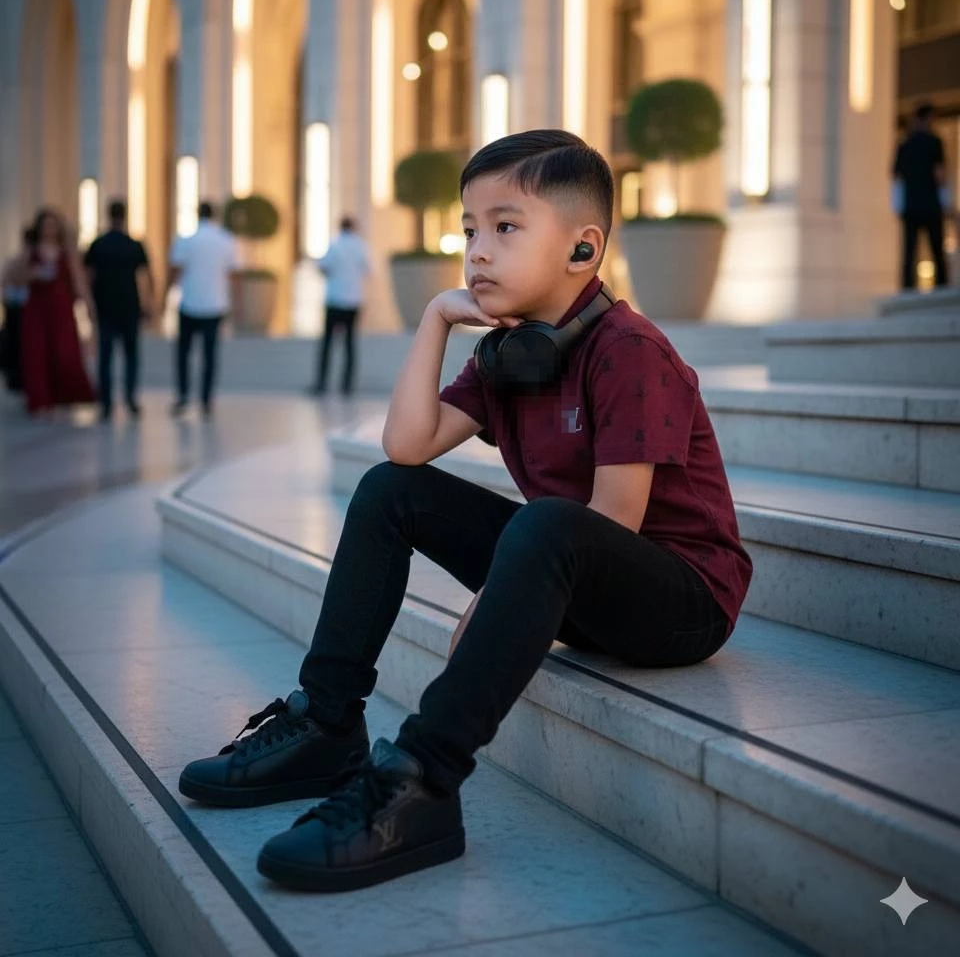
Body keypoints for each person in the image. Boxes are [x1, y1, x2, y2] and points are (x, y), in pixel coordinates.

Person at [178, 130, 753, 894]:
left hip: (680, 597)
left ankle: (423, 781)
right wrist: (436, 322)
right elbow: (408, 446)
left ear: (584, 249)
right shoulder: (510, 354)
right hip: (568, 566)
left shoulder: (629, 351)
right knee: (390, 490)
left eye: (505, 227)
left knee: (543, 524)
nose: (477, 250)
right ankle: (325, 724)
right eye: (469, 230)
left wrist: (497, 597)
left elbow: (612, 519)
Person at [19, 208, 96, 416]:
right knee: (37, 353)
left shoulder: (66, 252)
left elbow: (79, 281)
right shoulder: (31, 250)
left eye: (53, 225)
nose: (49, 230)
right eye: (46, 225)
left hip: (60, 308)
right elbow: (17, 275)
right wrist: (32, 274)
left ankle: (64, 394)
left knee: (64, 352)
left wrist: (88, 307)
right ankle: (41, 399)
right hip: (38, 308)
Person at [84, 199, 155, 420]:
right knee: (130, 355)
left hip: (105, 306)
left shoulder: (98, 244)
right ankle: (130, 398)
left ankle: (107, 402)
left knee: (106, 357)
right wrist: (150, 302)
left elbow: (88, 276)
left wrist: (88, 304)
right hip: (128, 306)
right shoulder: (133, 244)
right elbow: (146, 277)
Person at [168, 201, 239, 419]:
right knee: (210, 355)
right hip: (215, 304)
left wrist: (165, 298)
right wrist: (235, 304)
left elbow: (175, 271)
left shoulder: (186, 240)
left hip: (190, 302)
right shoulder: (226, 241)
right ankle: (206, 399)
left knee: (184, 354)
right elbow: (233, 274)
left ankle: (183, 396)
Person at [892, 103, 949, 290]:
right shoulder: (934, 142)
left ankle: (907, 286)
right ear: (928, 118)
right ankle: (941, 285)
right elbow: (939, 173)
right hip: (930, 203)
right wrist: (946, 201)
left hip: (910, 205)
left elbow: (896, 176)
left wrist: (897, 205)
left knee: (909, 250)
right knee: (936, 247)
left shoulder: (904, 145)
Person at [311, 215, 371, 396]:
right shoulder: (361, 246)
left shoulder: (335, 245)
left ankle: (322, 383)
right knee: (350, 344)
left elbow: (322, 267)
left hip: (335, 299)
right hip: (353, 300)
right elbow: (368, 270)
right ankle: (347, 385)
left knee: (328, 343)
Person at [0, 228, 31, 392]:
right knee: (16, 342)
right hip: (17, 305)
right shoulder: (23, 258)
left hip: (16, 304)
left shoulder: (19, 258)